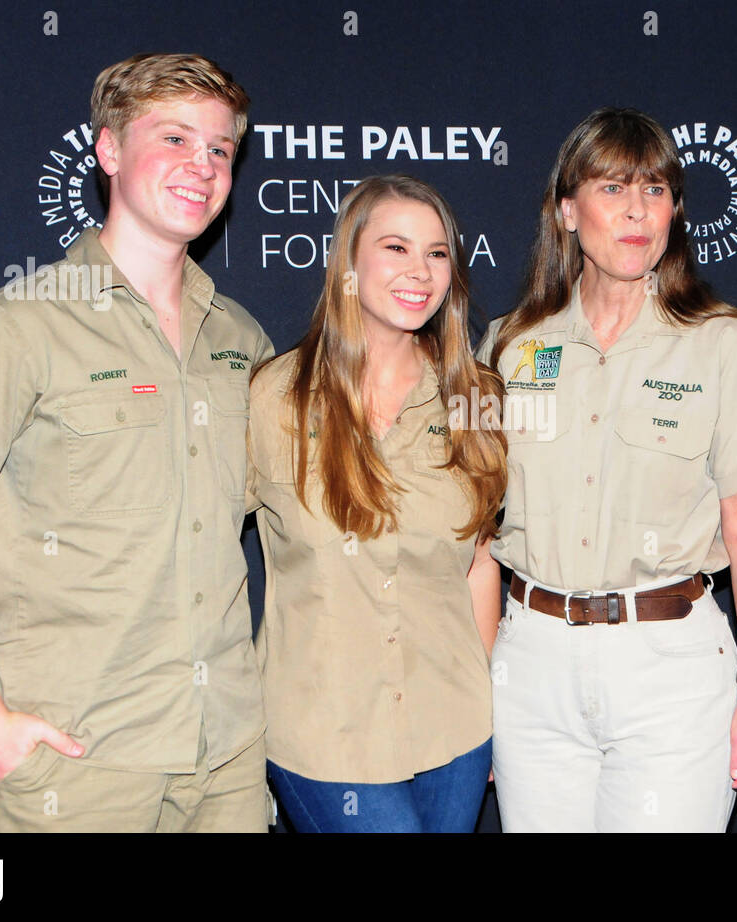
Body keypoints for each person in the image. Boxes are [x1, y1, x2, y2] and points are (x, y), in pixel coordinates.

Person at [0, 53, 274, 832]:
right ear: (107, 151)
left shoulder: (240, 337)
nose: (199, 166)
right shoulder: (18, 324)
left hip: (228, 751)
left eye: (218, 149)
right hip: (80, 756)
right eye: (172, 138)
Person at [477, 108, 737, 832]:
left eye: (655, 190)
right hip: (531, 668)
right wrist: (481, 681)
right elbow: (476, 540)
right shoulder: (507, 346)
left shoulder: (722, 343)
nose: (638, 210)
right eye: (613, 188)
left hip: (670, 669)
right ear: (566, 210)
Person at [248, 174, 507, 833]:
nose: (420, 270)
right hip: (324, 735)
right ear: (349, 263)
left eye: (438, 252)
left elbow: (479, 563)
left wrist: (490, 709)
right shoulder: (271, 399)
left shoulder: (478, 400)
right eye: (396, 247)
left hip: (454, 729)